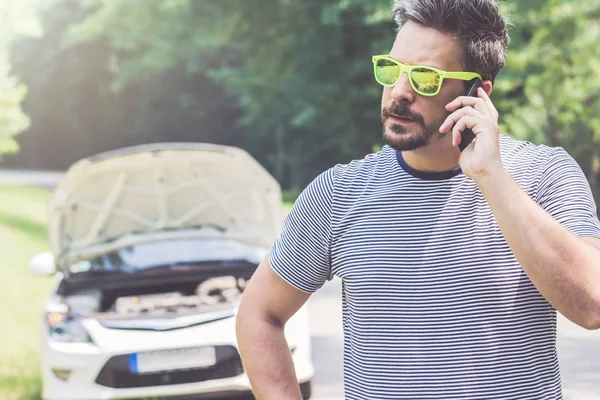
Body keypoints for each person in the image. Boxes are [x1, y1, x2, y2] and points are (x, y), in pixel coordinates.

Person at [235, 0, 600, 398]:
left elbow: (591, 306)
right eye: (392, 70)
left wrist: (492, 179)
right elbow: (259, 315)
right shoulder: (337, 195)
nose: (400, 91)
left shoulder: (545, 175)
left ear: (477, 93)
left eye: (426, 78)